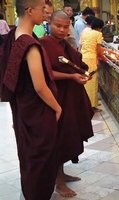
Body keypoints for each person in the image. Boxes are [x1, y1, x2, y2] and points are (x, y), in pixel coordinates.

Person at [0, 0, 61, 199]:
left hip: (24, 110)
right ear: (29, 10)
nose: (46, 12)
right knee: (41, 161)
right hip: (37, 112)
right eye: (42, 9)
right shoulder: (30, 45)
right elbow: (40, 86)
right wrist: (57, 107)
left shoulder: (13, 35)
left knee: (29, 158)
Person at [40, 10, 94, 198]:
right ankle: (58, 183)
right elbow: (46, 74)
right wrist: (71, 76)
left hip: (70, 96)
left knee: (68, 135)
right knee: (58, 139)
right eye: (58, 26)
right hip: (56, 99)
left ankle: (62, 174)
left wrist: (79, 74)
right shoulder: (44, 45)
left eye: (65, 26)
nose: (62, 30)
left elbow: (75, 64)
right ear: (49, 23)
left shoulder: (65, 44)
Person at [80, 18, 106, 111]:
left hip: (83, 58)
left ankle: (87, 103)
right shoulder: (98, 34)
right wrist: (103, 58)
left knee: (86, 82)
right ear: (100, 27)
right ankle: (91, 106)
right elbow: (98, 50)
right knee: (92, 83)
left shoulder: (85, 32)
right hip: (91, 60)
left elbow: (81, 46)